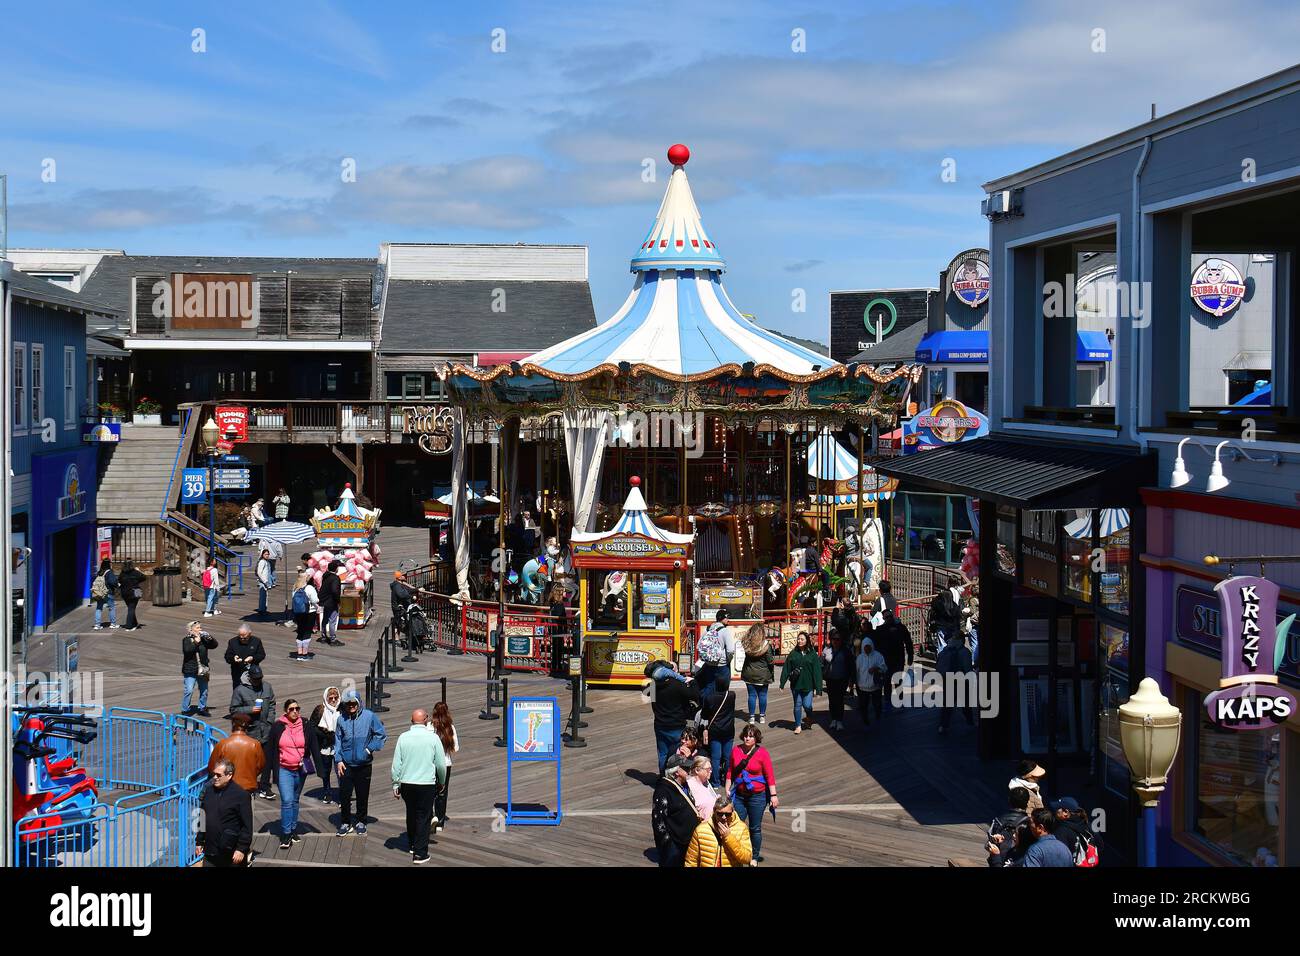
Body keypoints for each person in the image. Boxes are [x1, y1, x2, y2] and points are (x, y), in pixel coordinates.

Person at [391, 708, 448, 864]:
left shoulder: (403, 737)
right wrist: (442, 781)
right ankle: (420, 853)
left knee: (411, 813)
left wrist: (395, 783)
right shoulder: (433, 738)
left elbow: (396, 764)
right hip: (426, 783)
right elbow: (441, 765)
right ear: (426, 720)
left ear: (411, 721)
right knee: (423, 817)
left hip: (407, 783)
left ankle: (411, 844)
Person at [334, 688, 387, 836]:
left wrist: (369, 749)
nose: (351, 706)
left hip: (364, 765)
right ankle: (345, 822)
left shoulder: (369, 716)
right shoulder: (341, 719)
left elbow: (381, 735)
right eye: (348, 704)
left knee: (362, 795)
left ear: (359, 702)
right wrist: (338, 760)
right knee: (344, 795)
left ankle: (361, 821)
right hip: (346, 764)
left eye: (354, 703)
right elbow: (337, 741)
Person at [726, 724, 778, 865]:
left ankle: (754, 856)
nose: (747, 738)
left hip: (757, 796)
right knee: (737, 826)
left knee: (755, 828)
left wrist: (773, 795)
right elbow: (730, 770)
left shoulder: (763, 753)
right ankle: (739, 853)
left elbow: (769, 776)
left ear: (756, 738)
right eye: (746, 735)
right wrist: (727, 787)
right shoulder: (736, 750)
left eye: (751, 736)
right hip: (740, 795)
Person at [269, 699, 312, 849]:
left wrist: (320, 768)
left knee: (295, 800)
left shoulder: (305, 724)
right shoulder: (277, 726)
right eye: (291, 709)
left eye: (297, 708)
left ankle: (293, 829)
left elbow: (312, 744)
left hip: (300, 769)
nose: (295, 711)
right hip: (284, 768)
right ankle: (286, 834)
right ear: (286, 711)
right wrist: (265, 779)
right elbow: (270, 750)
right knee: (287, 800)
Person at [230, 664, 277, 799]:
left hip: (266, 729)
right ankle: (247, 784)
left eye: (260, 678)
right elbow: (233, 710)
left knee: (267, 760)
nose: (258, 681)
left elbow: (272, 704)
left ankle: (265, 787)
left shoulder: (267, 686)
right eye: (256, 679)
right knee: (250, 760)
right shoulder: (240, 690)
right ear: (249, 677)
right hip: (250, 731)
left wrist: (270, 720)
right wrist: (251, 710)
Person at [648, 658, 701, 773]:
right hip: (676, 725)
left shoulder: (652, 686)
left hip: (660, 724)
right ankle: (673, 777)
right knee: (677, 753)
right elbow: (695, 695)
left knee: (662, 753)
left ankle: (662, 776)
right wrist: (693, 682)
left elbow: (647, 694)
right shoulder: (677, 685)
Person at [198, 758, 252, 867]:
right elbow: (202, 818)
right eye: (214, 774)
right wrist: (199, 841)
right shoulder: (208, 791)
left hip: (231, 852)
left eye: (218, 775)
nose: (215, 777)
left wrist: (241, 849)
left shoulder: (241, 795)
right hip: (210, 850)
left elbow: (247, 826)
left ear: (229, 775)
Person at [651, 754, 698, 867]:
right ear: (677, 772)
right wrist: (668, 843)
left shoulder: (685, 785)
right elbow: (658, 820)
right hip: (674, 845)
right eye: (686, 768)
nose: (689, 771)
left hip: (688, 841)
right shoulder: (663, 790)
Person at [684, 796, 752, 868]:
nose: (724, 817)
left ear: (733, 811)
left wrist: (728, 837)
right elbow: (691, 860)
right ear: (714, 810)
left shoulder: (741, 828)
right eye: (720, 814)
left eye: (727, 814)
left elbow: (747, 858)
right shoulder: (701, 830)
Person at [208, 713, 266, 794]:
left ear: (233, 724)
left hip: (226, 788)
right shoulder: (255, 744)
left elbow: (212, 767)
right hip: (247, 789)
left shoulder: (223, 744)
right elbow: (260, 766)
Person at [779, 631, 822, 734]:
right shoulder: (793, 654)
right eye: (798, 639)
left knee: (807, 705)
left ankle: (809, 717)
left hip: (808, 685)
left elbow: (817, 672)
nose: (799, 641)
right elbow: (786, 668)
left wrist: (818, 689)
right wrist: (782, 683)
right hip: (796, 685)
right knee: (797, 705)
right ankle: (798, 725)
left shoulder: (812, 654)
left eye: (802, 639)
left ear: (806, 641)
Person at [698, 675, 736, 788]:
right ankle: (728, 779)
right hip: (728, 730)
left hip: (715, 730)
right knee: (728, 757)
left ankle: (715, 782)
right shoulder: (731, 695)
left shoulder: (709, 698)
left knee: (715, 757)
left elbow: (704, 715)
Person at [872, 609, 914, 710]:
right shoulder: (882, 629)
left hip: (897, 658)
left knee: (896, 680)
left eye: (890, 616)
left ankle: (897, 700)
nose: (889, 619)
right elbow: (876, 645)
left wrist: (910, 656)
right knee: (888, 681)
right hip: (887, 659)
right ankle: (889, 700)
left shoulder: (899, 628)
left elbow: (908, 642)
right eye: (887, 617)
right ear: (884, 619)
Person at [935, 631, 975, 733]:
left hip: (948, 679)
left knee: (947, 705)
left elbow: (939, 666)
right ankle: (970, 722)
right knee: (966, 703)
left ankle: (943, 726)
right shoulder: (965, 651)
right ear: (962, 640)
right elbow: (967, 668)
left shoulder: (945, 650)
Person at [307, 686, 341, 803]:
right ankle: (327, 791)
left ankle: (343, 793)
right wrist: (325, 734)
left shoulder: (342, 709)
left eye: (335, 697)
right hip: (325, 745)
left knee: (340, 770)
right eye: (330, 698)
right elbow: (311, 726)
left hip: (339, 745)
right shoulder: (320, 709)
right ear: (326, 698)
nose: (333, 700)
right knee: (326, 770)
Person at [986, 787, 1033, 867]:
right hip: (1017, 861)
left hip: (997, 858)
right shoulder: (1029, 824)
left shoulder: (998, 820)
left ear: (1009, 800)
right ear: (1027, 803)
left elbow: (988, 845)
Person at [430, 702, 459, 831]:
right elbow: (456, 748)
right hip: (445, 764)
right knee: (442, 793)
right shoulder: (450, 727)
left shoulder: (429, 727)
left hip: (430, 764)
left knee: (429, 791)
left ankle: (430, 817)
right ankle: (440, 822)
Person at [181, 620, 219, 716]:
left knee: (204, 690)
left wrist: (209, 637)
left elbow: (214, 645)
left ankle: (202, 708)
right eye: (198, 628)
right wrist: (196, 643)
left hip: (203, 668)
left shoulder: (203, 639)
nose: (200, 629)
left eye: (200, 628)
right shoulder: (186, 640)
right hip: (190, 669)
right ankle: (185, 709)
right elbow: (187, 651)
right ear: (191, 629)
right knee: (189, 690)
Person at [738, 623, 774, 724]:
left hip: (749, 673)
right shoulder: (766, 645)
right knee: (763, 695)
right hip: (763, 674)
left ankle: (752, 717)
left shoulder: (747, 644)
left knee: (751, 695)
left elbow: (743, 640)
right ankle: (762, 716)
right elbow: (770, 661)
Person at [1049, 797, 1097, 865]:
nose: (1055, 811)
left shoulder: (1061, 831)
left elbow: (1059, 858)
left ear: (1066, 812)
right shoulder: (1089, 825)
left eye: (1057, 809)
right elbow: (1100, 845)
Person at [823, 631, 855, 731]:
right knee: (832, 699)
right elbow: (821, 663)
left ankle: (839, 720)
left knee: (840, 699)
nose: (836, 641)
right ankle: (833, 719)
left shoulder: (846, 651)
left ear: (841, 640)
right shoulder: (827, 650)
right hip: (830, 679)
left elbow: (851, 666)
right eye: (834, 639)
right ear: (831, 640)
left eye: (838, 639)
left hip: (842, 678)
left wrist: (851, 680)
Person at [695, 609, 732, 690]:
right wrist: (728, 660)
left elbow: (698, 646)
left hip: (709, 664)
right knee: (723, 689)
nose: (729, 620)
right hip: (722, 665)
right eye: (727, 618)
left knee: (710, 687)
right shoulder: (725, 631)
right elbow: (730, 650)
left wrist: (706, 657)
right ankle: (720, 703)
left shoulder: (708, 629)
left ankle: (707, 702)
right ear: (722, 618)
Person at [854, 636, 888, 726]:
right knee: (863, 706)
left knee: (877, 704)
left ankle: (878, 717)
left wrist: (876, 668)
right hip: (863, 687)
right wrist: (855, 682)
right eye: (865, 647)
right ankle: (865, 720)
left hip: (875, 686)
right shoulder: (860, 658)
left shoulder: (878, 656)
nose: (867, 649)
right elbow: (856, 671)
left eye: (868, 647)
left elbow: (884, 668)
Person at [290, 570, 318, 660]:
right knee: (307, 632)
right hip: (309, 612)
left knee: (300, 631)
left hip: (298, 612)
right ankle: (305, 654)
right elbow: (315, 600)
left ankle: (299, 654)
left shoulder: (295, 587)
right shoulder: (309, 588)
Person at [547, 584, 570, 677]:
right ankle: (558, 665)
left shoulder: (552, 603)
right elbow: (562, 617)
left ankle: (554, 664)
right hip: (558, 629)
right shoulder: (560, 605)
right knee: (558, 647)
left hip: (554, 628)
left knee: (555, 647)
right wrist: (566, 629)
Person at [319, 560, 343, 646]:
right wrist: (338, 601)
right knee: (332, 620)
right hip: (332, 601)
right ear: (336, 569)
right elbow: (334, 590)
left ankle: (323, 636)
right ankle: (333, 639)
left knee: (325, 619)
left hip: (325, 601)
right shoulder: (335, 578)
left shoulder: (325, 576)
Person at [91, 558, 120, 630]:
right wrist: (117, 584)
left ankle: (97, 625)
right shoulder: (109, 572)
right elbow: (112, 582)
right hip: (108, 593)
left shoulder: (99, 572)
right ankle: (113, 624)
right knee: (111, 608)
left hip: (99, 593)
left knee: (99, 608)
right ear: (109, 564)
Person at [686, 755, 717, 821]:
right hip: (702, 826)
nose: (711, 771)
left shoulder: (706, 781)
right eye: (708, 769)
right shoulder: (689, 785)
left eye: (711, 769)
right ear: (697, 770)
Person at [118, 559, 146, 631]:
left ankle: (135, 623)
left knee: (131, 608)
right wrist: (137, 580)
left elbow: (119, 580)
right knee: (131, 608)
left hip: (125, 593)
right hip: (134, 592)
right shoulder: (135, 572)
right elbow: (144, 577)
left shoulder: (122, 573)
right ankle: (129, 626)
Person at [256, 549, 274, 618]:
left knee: (265, 596)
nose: (267, 555)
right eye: (266, 554)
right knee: (263, 596)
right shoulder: (262, 562)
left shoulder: (267, 562)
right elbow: (259, 572)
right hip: (263, 581)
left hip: (266, 581)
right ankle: (261, 610)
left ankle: (264, 609)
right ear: (262, 555)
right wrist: (264, 581)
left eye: (268, 554)